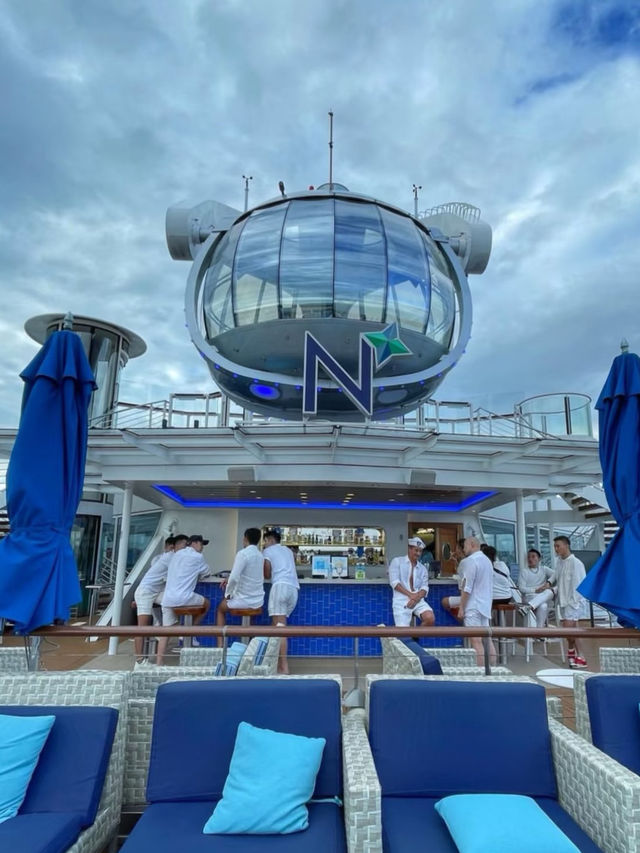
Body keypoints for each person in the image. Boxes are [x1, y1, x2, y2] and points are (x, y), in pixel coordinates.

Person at [156, 534, 212, 665]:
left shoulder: (177, 554)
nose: (202, 547)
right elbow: (207, 572)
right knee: (207, 604)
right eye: (201, 544)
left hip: (168, 599)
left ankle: (159, 662)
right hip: (185, 597)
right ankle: (190, 632)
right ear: (194, 543)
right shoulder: (198, 557)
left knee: (166, 631)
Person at [133, 534, 188, 663]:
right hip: (145, 592)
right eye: (184, 546)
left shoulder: (176, 557)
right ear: (174, 547)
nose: (186, 549)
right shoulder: (171, 557)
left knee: (175, 604)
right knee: (142, 628)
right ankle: (139, 661)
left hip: (158, 592)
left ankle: (166, 632)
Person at [216, 527, 265, 644]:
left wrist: (228, 594)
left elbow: (234, 577)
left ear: (245, 538)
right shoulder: (260, 555)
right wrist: (229, 578)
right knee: (249, 614)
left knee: (220, 609)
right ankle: (247, 646)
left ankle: (220, 646)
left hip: (243, 601)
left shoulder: (243, 554)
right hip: (258, 601)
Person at [263, 528, 299, 673]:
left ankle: (283, 666)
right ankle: (273, 663)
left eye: (265, 541)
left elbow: (266, 574)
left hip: (280, 587)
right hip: (293, 589)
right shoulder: (289, 551)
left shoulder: (268, 551)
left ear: (271, 540)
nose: (264, 544)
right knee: (276, 626)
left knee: (279, 628)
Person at [457, 536, 496, 666]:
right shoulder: (487, 561)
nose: (463, 549)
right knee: (487, 640)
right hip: (485, 605)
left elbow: (467, 587)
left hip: (473, 605)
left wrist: (461, 607)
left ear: (472, 544)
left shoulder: (470, 561)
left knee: (476, 641)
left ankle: (479, 673)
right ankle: (493, 670)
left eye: (465, 546)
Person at [552, 535, 588, 668]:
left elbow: (579, 586)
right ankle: (575, 654)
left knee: (569, 630)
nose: (556, 549)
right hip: (564, 601)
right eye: (555, 546)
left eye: (558, 546)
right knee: (572, 630)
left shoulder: (576, 563)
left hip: (574, 602)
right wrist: (548, 583)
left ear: (566, 546)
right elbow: (556, 575)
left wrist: (574, 604)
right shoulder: (559, 562)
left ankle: (579, 655)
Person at [388, 537, 435, 627]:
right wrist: (410, 595)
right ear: (409, 549)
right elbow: (394, 583)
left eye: (420, 551)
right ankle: (409, 635)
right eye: (416, 550)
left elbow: (425, 588)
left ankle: (415, 634)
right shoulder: (397, 561)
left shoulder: (422, 568)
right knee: (402, 631)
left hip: (418, 599)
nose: (418, 553)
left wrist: (415, 598)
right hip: (401, 600)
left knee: (430, 618)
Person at [518, 548, 555, 629]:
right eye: (529, 557)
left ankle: (529, 608)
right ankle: (540, 630)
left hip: (541, 596)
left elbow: (556, 575)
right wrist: (535, 590)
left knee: (547, 597)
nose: (530, 559)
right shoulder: (524, 571)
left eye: (533, 556)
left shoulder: (544, 569)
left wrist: (548, 583)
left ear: (539, 559)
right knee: (544, 604)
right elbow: (521, 588)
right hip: (529, 596)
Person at [481, 544, 514, 610]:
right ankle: (501, 616)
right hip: (507, 597)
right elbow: (507, 576)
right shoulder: (502, 564)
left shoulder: (482, 566)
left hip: (492, 598)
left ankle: (488, 616)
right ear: (495, 556)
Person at [442, 538, 469, 618]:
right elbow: (461, 572)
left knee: (444, 602)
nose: (455, 550)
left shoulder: (464, 562)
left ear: (460, 549)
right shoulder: (468, 561)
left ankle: (462, 619)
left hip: (468, 598)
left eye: (457, 548)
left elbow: (462, 588)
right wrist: (455, 561)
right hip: (475, 598)